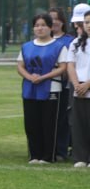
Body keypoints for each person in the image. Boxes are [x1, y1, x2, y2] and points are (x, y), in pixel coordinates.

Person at [17, 13, 64, 164]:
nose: (40, 28)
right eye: (37, 25)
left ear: (50, 27)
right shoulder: (27, 46)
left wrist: (43, 77)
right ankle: (34, 155)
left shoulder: (59, 46)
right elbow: (20, 66)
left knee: (48, 123)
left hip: (51, 88)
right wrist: (30, 77)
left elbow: (63, 67)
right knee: (31, 123)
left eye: (43, 25)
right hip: (30, 88)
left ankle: (48, 156)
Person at [60, 4, 90, 167]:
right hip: (78, 89)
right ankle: (80, 157)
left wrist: (87, 84)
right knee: (78, 123)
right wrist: (76, 83)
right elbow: (71, 64)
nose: (88, 25)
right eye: (86, 22)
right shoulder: (76, 43)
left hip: (87, 86)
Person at [49, 7, 74, 160]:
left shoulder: (69, 40)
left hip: (63, 86)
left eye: (56, 18)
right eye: (50, 18)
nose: (53, 21)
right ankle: (47, 149)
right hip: (45, 85)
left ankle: (61, 151)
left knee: (62, 120)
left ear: (62, 21)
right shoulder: (43, 39)